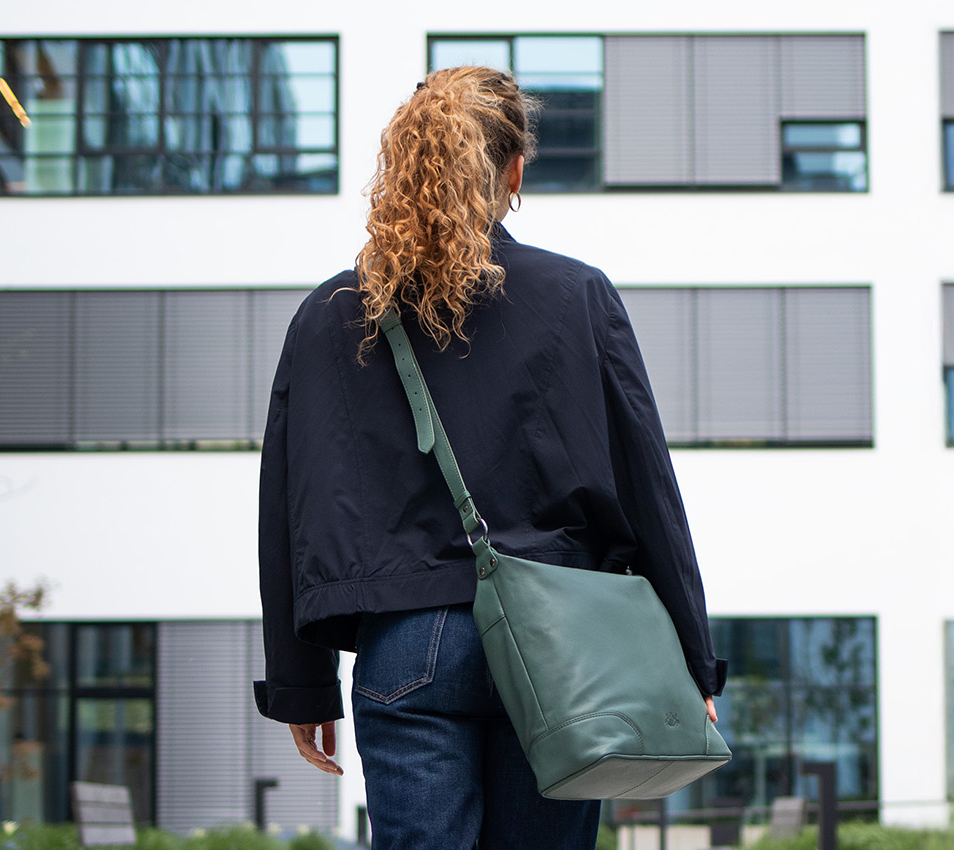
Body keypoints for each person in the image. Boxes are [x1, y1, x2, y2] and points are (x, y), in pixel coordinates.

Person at [253, 66, 723, 850]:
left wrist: (304, 683)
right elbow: (648, 487)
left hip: (407, 643)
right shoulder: (577, 296)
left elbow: (290, 507)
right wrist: (693, 659)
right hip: (566, 641)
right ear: (513, 171)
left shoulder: (329, 319)